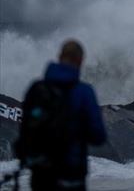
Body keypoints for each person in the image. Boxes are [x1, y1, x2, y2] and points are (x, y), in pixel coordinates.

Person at [16, 40, 106, 191]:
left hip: (41, 175)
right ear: (80, 60)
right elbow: (98, 137)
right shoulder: (84, 92)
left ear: (59, 56)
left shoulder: (37, 88)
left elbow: (24, 129)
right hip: (71, 175)